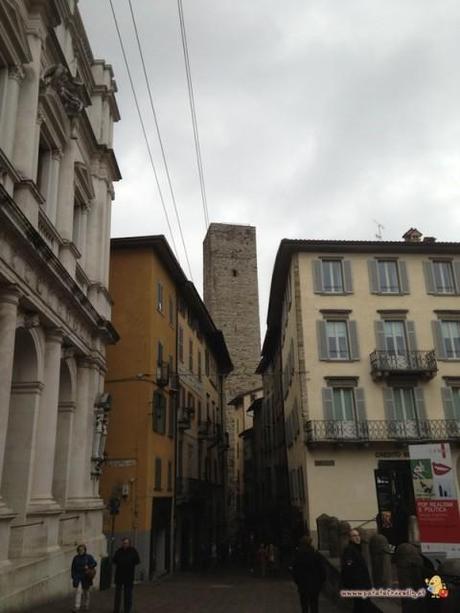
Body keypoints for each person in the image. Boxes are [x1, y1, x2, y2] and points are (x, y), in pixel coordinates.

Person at [291, 536, 326, 613]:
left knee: (304, 606)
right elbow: (322, 570)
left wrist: (298, 582)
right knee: (314, 605)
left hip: (303, 584)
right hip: (314, 585)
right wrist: (320, 582)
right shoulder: (315, 554)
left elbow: (294, 570)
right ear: (310, 543)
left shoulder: (298, 555)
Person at [341, 529, 373, 613]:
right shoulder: (350, 550)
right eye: (354, 536)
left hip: (362, 584)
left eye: (358, 535)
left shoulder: (356, 549)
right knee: (362, 607)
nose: (357, 538)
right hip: (358, 585)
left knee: (360, 607)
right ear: (350, 538)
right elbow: (348, 565)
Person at [112, 537, 140, 613]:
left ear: (129, 544)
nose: (125, 544)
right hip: (119, 575)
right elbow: (114, 560)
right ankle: (116, 609)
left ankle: (127, 610)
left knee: (128, 594)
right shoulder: (119, 551)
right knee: (118, 594)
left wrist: (130, 564)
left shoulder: (133, 551)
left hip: (129, 575)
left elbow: (137, 560)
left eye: (126, 543)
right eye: (124, 543)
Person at [71, 544, 97, 612]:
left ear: (85, 550)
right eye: (79, 550)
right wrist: (73, 576)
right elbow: (73, 568)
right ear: (78, 551)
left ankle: (86, 604)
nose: (81, 551)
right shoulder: (75, 558)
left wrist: (88, 566)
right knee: (78, 591)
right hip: (78, 576)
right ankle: (77, 606)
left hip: (86, 576)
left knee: (86, 592)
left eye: (82, 550)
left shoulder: (88, 557)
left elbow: (95, 563)